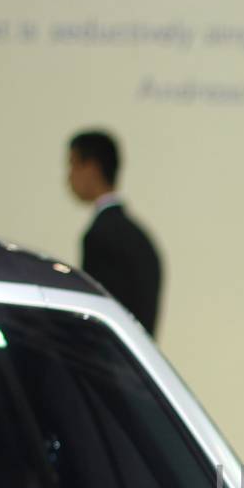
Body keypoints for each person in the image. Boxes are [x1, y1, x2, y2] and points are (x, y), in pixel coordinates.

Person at [66, 129, 163, 335]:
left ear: (91, 167)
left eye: (73, 164)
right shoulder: (137, 235)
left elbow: (99, 311)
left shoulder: (101, 236)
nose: (69, 177)